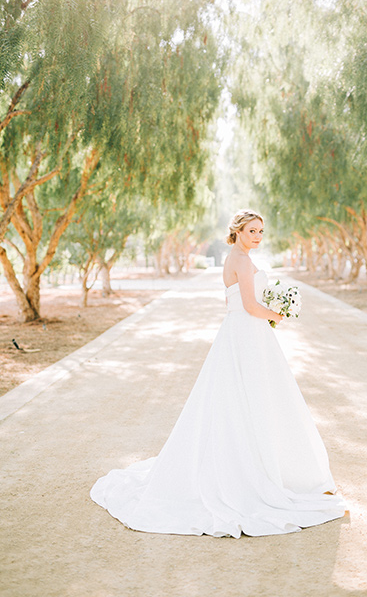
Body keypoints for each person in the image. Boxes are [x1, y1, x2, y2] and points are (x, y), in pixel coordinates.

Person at [90, 209, 346, 537]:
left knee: (255, 399)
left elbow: (238, 301)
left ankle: (277, 467)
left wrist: (268, 312)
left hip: (247, 333)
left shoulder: (237, 258)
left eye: (261, 231)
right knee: (246, 398)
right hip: (246, 333)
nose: (258, 236)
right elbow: (251, 306)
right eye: (252, 230)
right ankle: (250, 473)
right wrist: (277, 315)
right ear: (238, 232)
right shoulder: (239, 259)